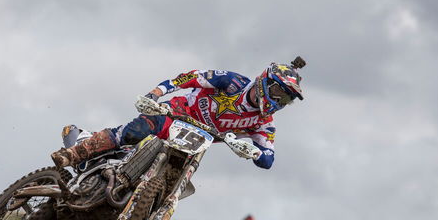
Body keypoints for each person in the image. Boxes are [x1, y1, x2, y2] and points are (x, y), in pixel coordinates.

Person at [51, 58, 307, 172]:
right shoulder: (233, 82)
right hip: (178, 114)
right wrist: (155, 94)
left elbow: (269, 159)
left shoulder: (264, 123)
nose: (277, 101)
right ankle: (77, 152)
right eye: (277, 92)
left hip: (197, 143)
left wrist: (254, 152)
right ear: (265, 81)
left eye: (285, 99)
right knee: (139, 129)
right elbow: (189, 78)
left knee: (177, 171)